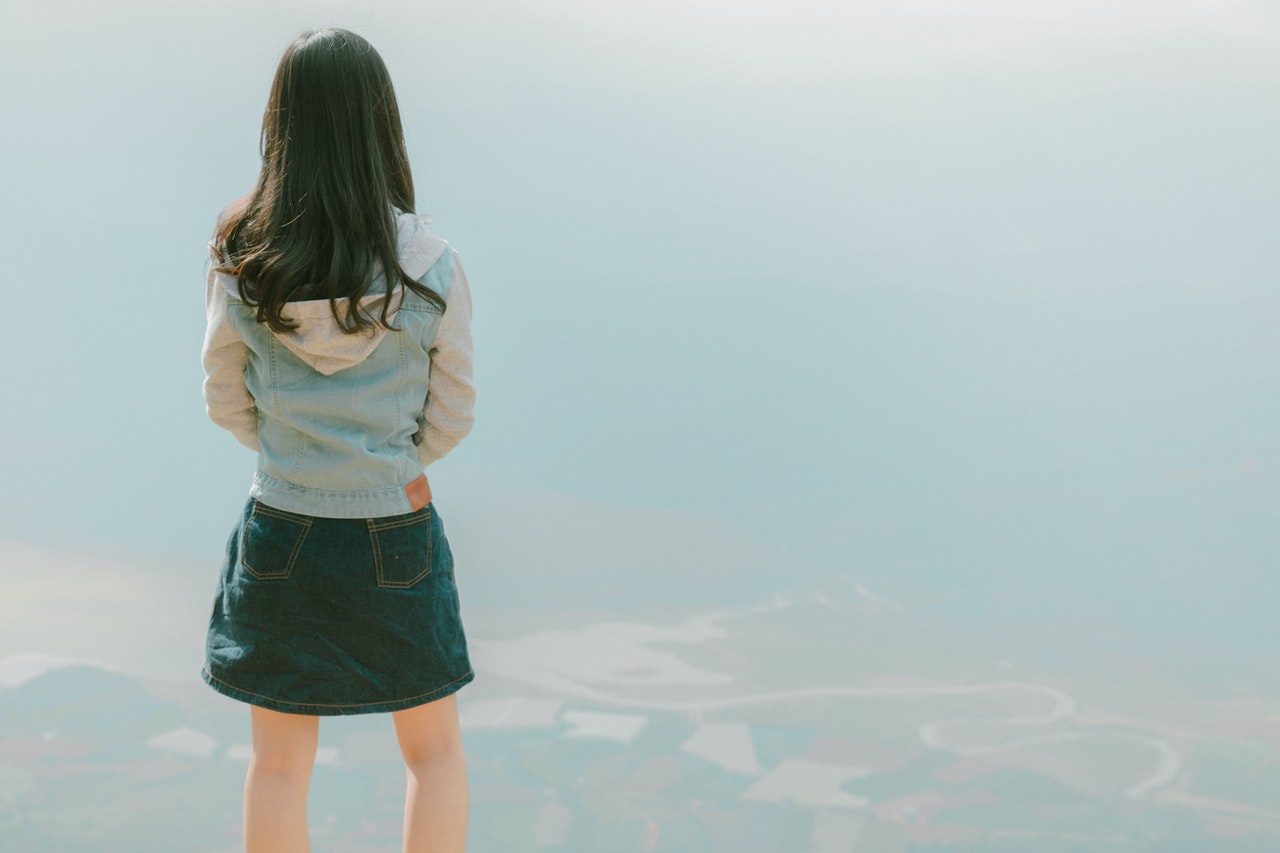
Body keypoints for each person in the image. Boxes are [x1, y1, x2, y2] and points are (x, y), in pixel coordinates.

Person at [199, 28, 475, 853]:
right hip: (394, 528)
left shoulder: (243, 256)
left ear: (281, 125)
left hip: (282, 527)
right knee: (433, 755)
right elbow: (455, 409)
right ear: (378, 125)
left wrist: (292, 460)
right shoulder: (431, 264)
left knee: (279, 766)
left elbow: (223, 398)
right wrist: (392, 468)